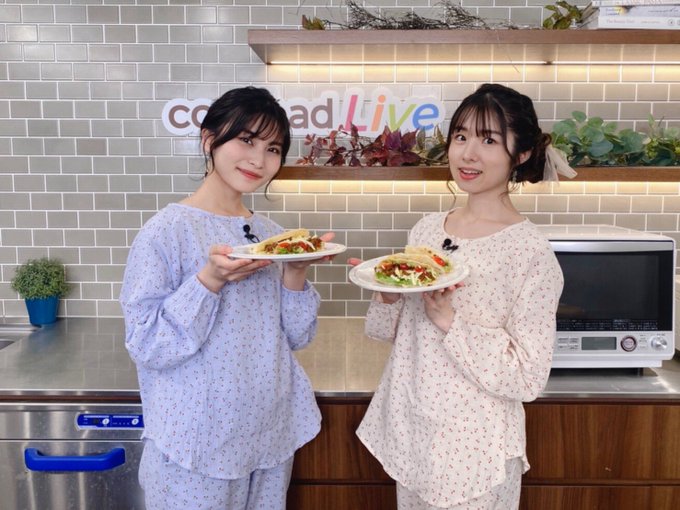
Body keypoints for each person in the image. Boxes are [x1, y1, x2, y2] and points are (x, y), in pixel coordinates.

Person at [351, 83, 568, 510]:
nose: (468, 154)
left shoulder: (530, 254)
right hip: (414, 432)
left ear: (521, 154)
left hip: (474, 448)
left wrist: (450, 320)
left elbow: (528, 378)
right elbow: (391, 335)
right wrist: (387, 294)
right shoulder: (427, 229)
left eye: (488, 140)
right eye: (461, 136)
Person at [119, 86, 331, 510]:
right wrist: (209, 280)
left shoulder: (271, 234)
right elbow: (147, 343)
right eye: (246, 140)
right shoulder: (166, 231)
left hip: (268, 433)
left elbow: (296, 337)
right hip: (198, 443)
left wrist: (296, 271)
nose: (259, 160)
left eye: (273, 149)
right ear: (209, 139)